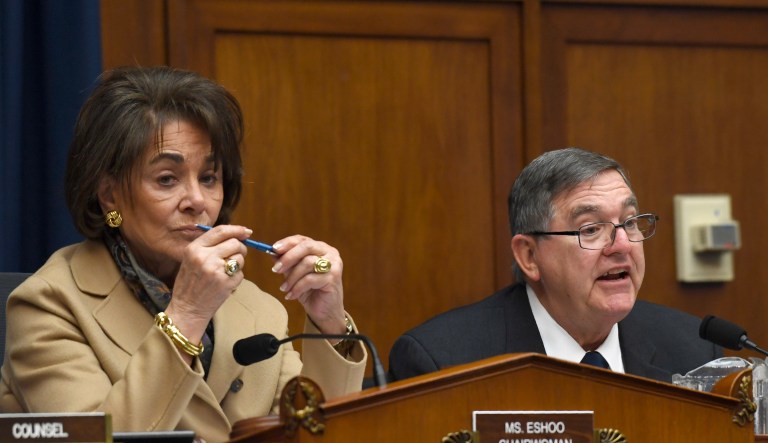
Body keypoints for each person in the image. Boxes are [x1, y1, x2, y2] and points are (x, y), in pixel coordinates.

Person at [0, 66, 366, 441]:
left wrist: (330, 326)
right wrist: (187, 315)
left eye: (209, 178)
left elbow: (314, 433)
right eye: (167, 179)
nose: (196, 201)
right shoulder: (48, 305)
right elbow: (98, 438)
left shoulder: (258, 309)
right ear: (110, 195)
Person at [388, 147, 721, 383]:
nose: (622, 245)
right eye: (591, 229)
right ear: (530, 257)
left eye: (630, 222)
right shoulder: (445, 362)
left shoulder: (695, 352)